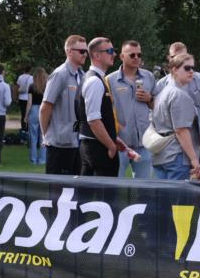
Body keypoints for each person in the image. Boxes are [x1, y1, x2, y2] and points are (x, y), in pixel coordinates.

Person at [76, 37, 131, 177]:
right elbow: (93, 120)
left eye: (114, 50)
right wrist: (110, 145)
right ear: (96, 55)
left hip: (95, 145)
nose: (113, 54)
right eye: (110, 51)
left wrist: (113, 138)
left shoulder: (93, 78)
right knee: (105, 196)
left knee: (87, 194)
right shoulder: (94, 81)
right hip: (98, 148)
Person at [155, 42, 200, 166]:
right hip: (172, 150)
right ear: (170, 60)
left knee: (195, 183)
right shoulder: (162, 84)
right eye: (175, 58)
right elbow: (180, 129)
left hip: (194, 142)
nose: (179, 60)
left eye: (184, 58)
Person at [107, 40, 158, 178]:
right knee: (115, 186)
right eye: (132, 55)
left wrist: (150, 99)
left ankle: (135, 200)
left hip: (144, 143)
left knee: (142, 188)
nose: (136, 58)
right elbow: (105, 113)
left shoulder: (149, 77)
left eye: (139, 55)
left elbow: (159, 107)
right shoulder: (110, 81)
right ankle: (116, 201)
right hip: (120, 144)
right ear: (122, 57)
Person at [151, 52, 200, 181]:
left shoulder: (163, 92)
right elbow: (181, 130)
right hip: (176, 157)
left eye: (193, 68)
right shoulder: (179, 95)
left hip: (161, 155)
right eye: (187, 68)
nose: (191, 71)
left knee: (162, 199)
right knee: (176, 200)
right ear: (174, 70)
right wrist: (194, 159)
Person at [41, 35, 87, 175]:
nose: (85, 54)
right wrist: (45, 135)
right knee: (57, 191)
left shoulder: (82, 75)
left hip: (76, 142)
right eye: (81, 51)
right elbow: (46, 107)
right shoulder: (60, 74)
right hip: (59, 144)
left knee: (75, 190)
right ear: (69, 51)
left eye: (86, 51)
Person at [26, 67, 48, 165]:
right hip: (44, 110)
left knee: (33, 137)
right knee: (43, 137)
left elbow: (29, 103)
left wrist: (26, 115)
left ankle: (33, 159)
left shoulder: (31, 86)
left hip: (34, 110)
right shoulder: (47, 86)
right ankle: (42, 160)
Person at [16, 64, 33, 132]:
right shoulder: (32, 78)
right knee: (29, 114)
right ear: (30, 70)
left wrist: (16, 97)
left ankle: (23, 128)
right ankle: (28, 128)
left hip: (21, 97)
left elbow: (17, 87)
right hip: (29, 98)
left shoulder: (20, 77)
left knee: (23, 114)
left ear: (24, 70)